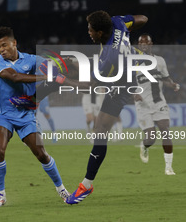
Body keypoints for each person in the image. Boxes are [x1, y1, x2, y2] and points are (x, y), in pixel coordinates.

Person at [11, 11, 148, 204]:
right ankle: (33, 99)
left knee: (100, 131)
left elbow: (91, 86)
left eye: (91, 30)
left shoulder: (109, 53)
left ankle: (87, 184)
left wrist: (65, 80)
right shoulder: (117, 23)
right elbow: (143, 18)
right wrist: (127, 38)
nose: (89, 33)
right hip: (119, 69)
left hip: (120, 85)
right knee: (64, 68)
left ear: (100, 33)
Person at [0, 26, 69, 207]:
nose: (1, 50)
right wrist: (44, 77)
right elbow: (15, 77)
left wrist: (59, 66)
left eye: (4, 45)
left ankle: (62, 189)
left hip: (25, 114)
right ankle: (0, 194)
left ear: (14, 43)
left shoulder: (32, 60)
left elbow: (52, 65)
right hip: (3, 114)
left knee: (41, 154)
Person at [133, 34, 180, 175]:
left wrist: (172, 84)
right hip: (143, 106)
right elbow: (127, 83)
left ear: (151, 44)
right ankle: (145, 145)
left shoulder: (160, 61)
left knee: (165, 132)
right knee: (151, 138)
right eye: (141, 43)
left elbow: (165, 78)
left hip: (159, 101)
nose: (144, 45)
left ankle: (168, 167)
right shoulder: (133, 63)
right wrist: (134, 93)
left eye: (146, 43)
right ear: (139, 45)